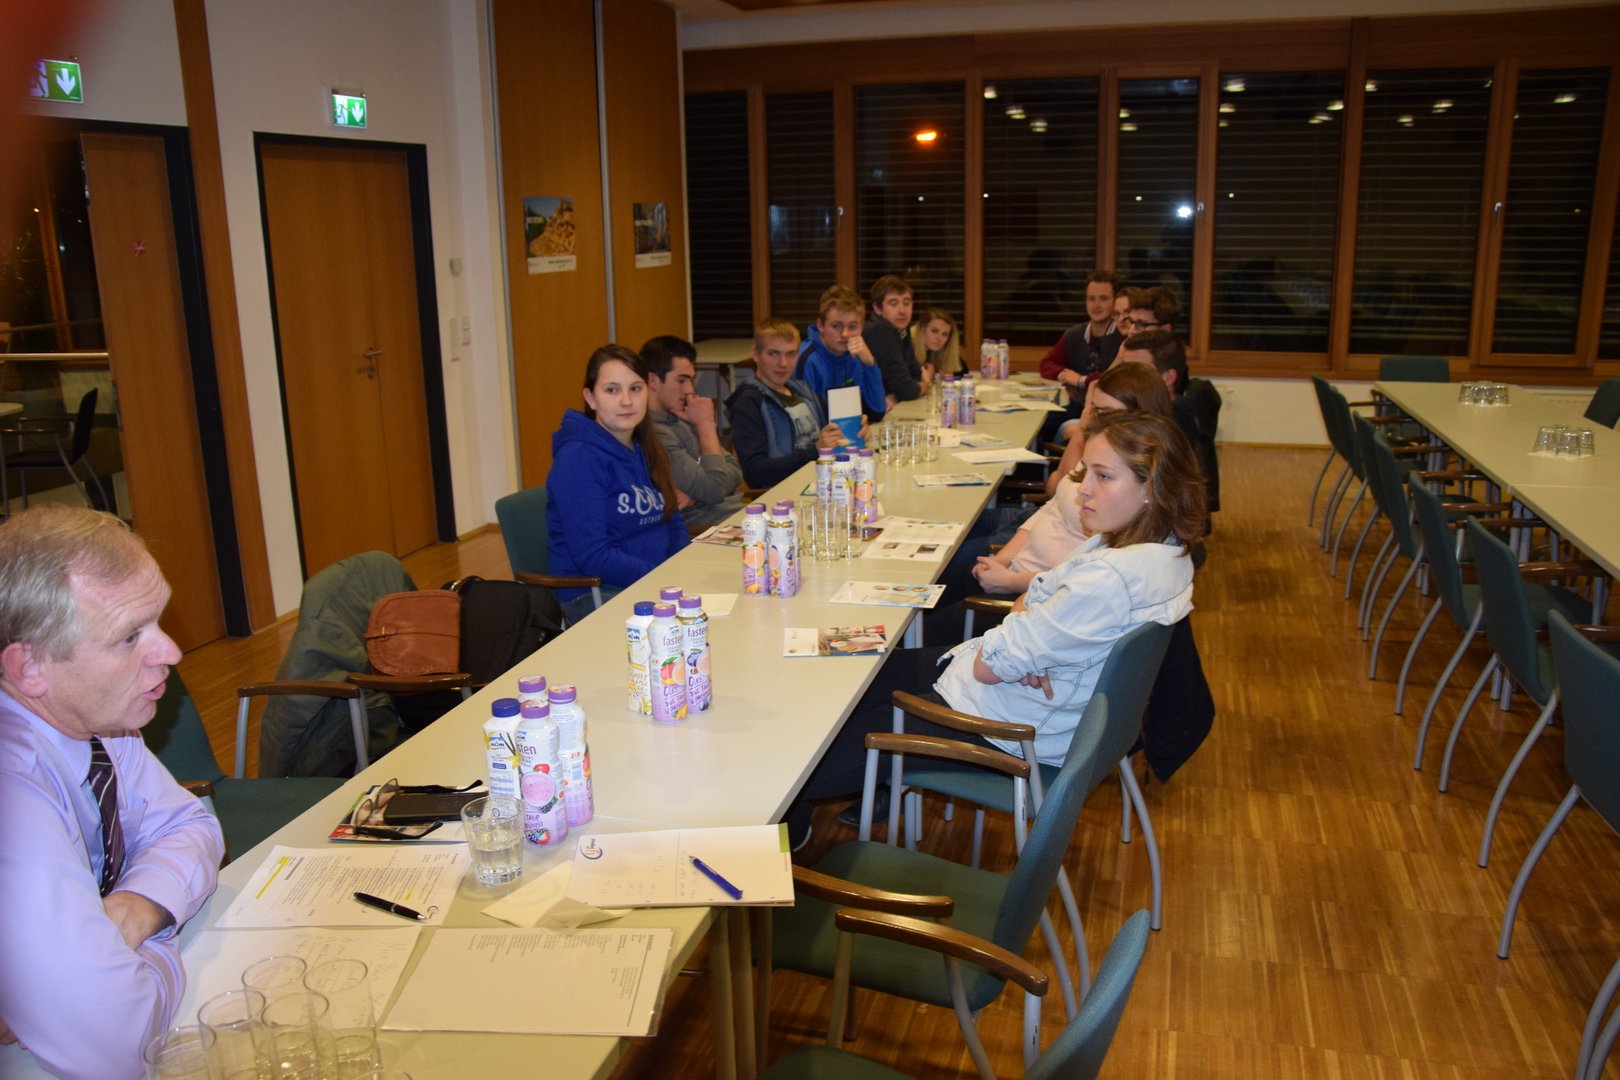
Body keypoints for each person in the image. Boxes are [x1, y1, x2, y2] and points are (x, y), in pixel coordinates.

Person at [788, 409, 1203, 839]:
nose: (1083, 490)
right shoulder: (1164, 551)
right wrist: (1029, 644)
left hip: (1000, 725)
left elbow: (989, 665)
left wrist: (1021, 644)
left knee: (803, 763)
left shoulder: (1107, 578)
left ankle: (789, 828)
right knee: (854, 673)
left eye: (1103, 476)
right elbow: (1031, 596)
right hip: (1015, 699)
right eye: (1086, 474)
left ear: (1152, 487)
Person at [0, 505, 224, 1079]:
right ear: (28, 668)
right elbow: (115, 1046)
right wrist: (123, 964)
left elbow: (189, 825)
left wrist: (135, 910)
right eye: (129, 637)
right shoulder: (12, 799)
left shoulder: (97, 722)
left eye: (158, 621)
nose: (171, 652)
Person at [974, 363, 1174, 596]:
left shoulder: (1126, 489)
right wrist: (1003, 558)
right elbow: (1052, 504)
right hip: (1019, 567)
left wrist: (1012, 581)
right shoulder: (1100, 455)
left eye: (1107, 412)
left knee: (950, 569)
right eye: (1093, 408)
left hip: (1035, 591)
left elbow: (1082, 577)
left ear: (1141, 416)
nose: (1094, 418)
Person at [547, 345, 690, 623]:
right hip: (595, 594)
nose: (627, 401)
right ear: (591, 398)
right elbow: (593, 556)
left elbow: (672, 522)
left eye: (635, 389)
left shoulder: (644, 447)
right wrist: (661, 578)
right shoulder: (578, 458)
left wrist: (683, 570)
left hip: (650, 585)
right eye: (612, 390)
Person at [727, 318, 864, 490]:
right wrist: (816, 451)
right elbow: (754, 473)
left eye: (790, 354)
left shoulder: (804, 391)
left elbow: (837, 429)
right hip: (782, 494)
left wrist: (856, 427)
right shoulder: (748, 402)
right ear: (755, 355)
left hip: (821, 483)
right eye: (773, 354)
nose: (783, 363)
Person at [640, 335, 745, 530]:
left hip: (736, 517)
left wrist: (697, 496)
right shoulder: (655, 435)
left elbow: (736, 471)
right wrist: (706, 425)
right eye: (681, 380)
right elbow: (713, 490)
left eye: (690, 380)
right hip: (708, 530)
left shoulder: (683, 418)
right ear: (652, 380)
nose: (689, 390)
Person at [795, 285, 888, 422]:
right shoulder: (807, 360)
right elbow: (806, 424)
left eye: (852, 326)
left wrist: (869, 363)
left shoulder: (857, 355)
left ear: (862, 326)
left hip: (846, 433)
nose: (845, 334)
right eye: (836, 326)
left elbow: (877, 412)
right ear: (821, 326)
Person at [1038, 269, 1123, 403]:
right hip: (1078, 405)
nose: (1096, 305)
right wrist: (1066, 378)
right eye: (1091, 298)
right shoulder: (1074, 334)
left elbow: (1118, 379)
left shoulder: (1123, 336)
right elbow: (1046, 364)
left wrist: (1080, 381)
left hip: (1109, 408)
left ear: (1115, 302)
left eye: (1103, 298)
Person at [863, 275, 927, 404]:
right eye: (893, 303)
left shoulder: (901, 330)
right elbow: (906, 390)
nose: (902, 311)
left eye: (906, 303)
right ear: (877, 308)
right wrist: (925, 385)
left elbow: (915, 375)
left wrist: (904, 391)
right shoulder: (880, 329)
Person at [909, 307, 964, 377]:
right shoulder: (906, 348)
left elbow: (962, 371)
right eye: (934, 331)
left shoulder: (937, 351)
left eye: (945, 334)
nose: (939, 338)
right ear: (922, 328)